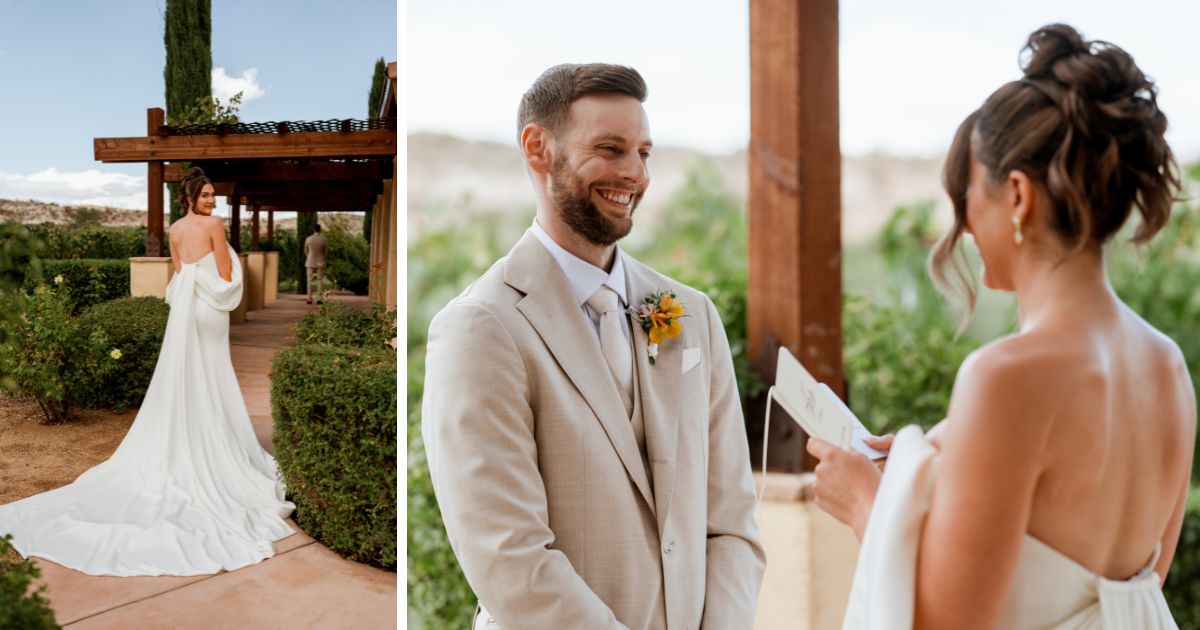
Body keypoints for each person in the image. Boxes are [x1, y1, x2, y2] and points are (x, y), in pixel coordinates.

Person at [807, 24, 1192, 628]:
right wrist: (934, 458)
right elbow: (1134, 588)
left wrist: (869, 505)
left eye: (967, 196)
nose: (960, 224)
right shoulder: (1166, 363)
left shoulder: (1007, 377)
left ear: (1017, 195)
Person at [422, 63, 765, 629]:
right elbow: (510, 559)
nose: (634, 173)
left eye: (644, 153)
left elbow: (730, 521)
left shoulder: (691, 314)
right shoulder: (479, 327)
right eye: (611, 149)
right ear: (538, 148)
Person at [0, 166, 296, 576]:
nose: (213, 202)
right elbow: (227, 277)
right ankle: (211, 440)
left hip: (186, 309)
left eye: (214, 196)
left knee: (193, 376)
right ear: (192, 197)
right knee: (212, 374)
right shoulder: (212, 227)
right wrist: (223, 272)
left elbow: (178, 274)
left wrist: (195, 279)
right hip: (208, 309)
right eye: (207, 195)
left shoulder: (175, 229)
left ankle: (196, 434)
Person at [304, 223, 328, 304]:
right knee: (320, 280)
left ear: (314, 229)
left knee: (309, 280)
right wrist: (322, 257)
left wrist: (309, 256)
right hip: (320, 261)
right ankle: (319, 299)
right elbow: (325, 252)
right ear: (320, 229)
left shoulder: (308, 239)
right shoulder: (324, 239)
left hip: (310, 261)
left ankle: (309, 298)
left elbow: (306, 251)